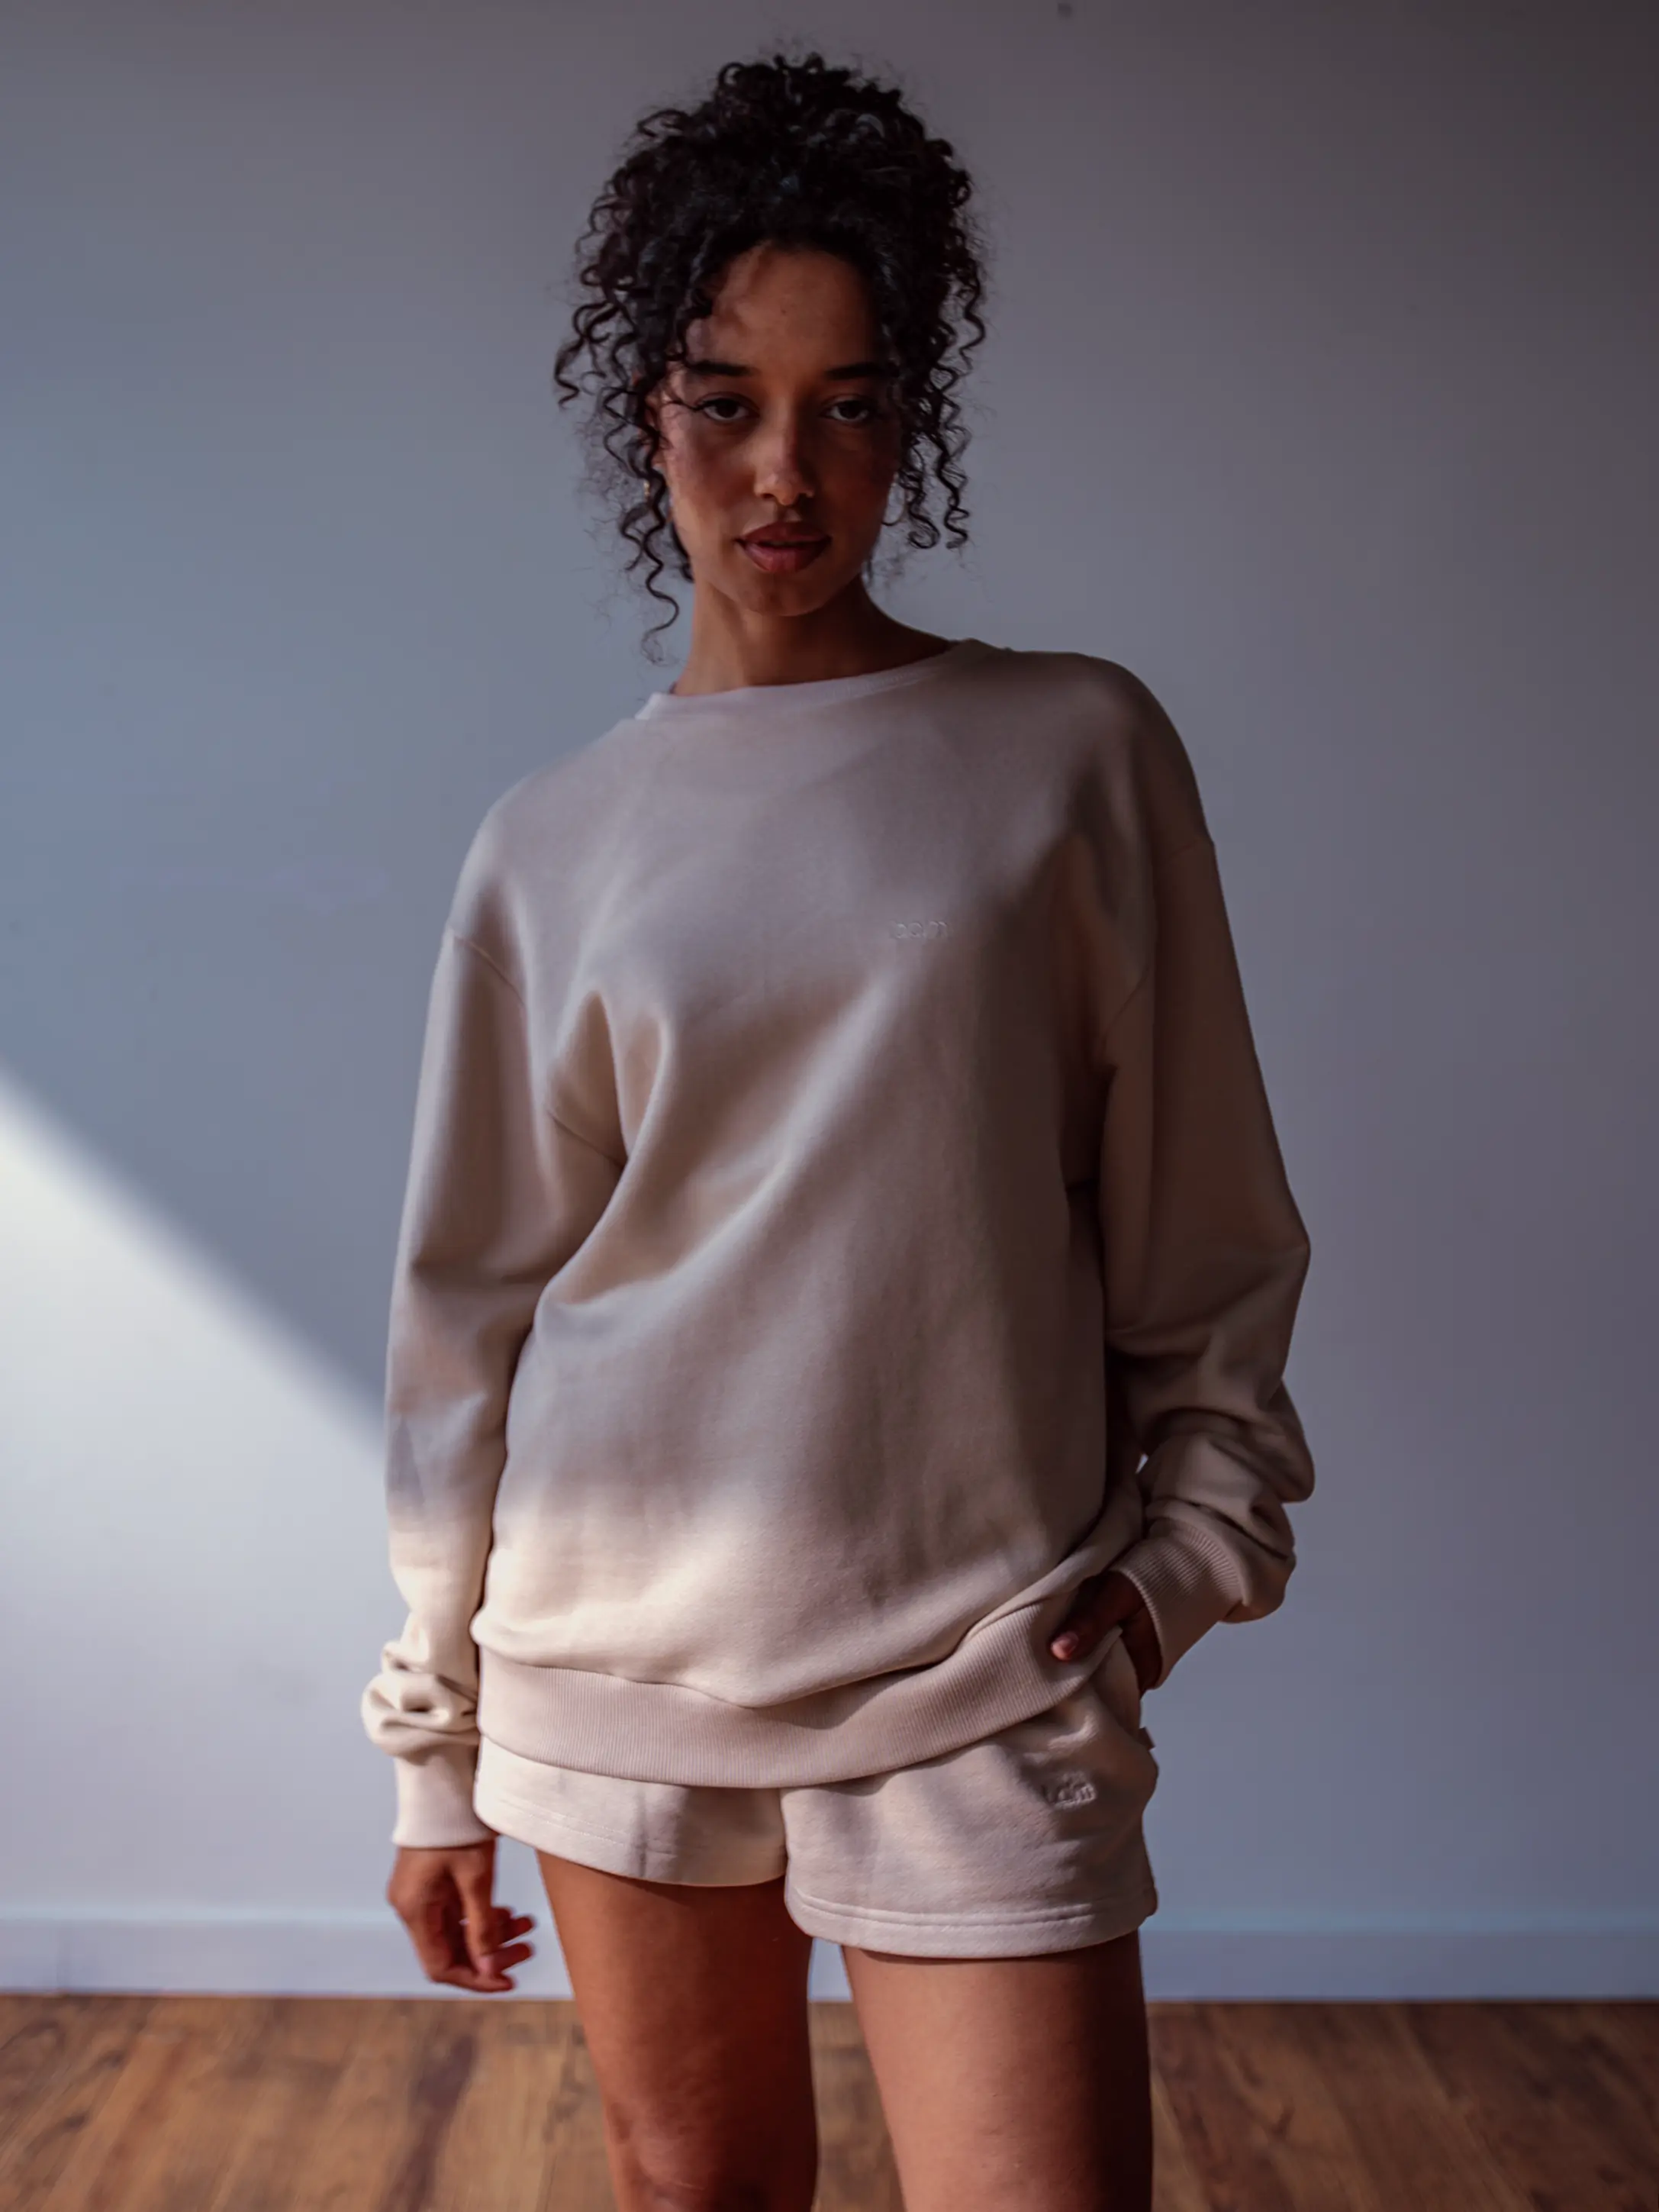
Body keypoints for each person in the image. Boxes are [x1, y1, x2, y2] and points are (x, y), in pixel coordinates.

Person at [362, 48, 1315, 2212]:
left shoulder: (1068, 752)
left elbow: (1208, 1228)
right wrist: (433, 1758)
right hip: (614, 1667)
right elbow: (468, 1318)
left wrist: (1181, 1564)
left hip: (979, 1658)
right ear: (648, 419)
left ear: (914, 420)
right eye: (725, 400)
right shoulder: (552, 843)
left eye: (850, 403)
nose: (785, 470)